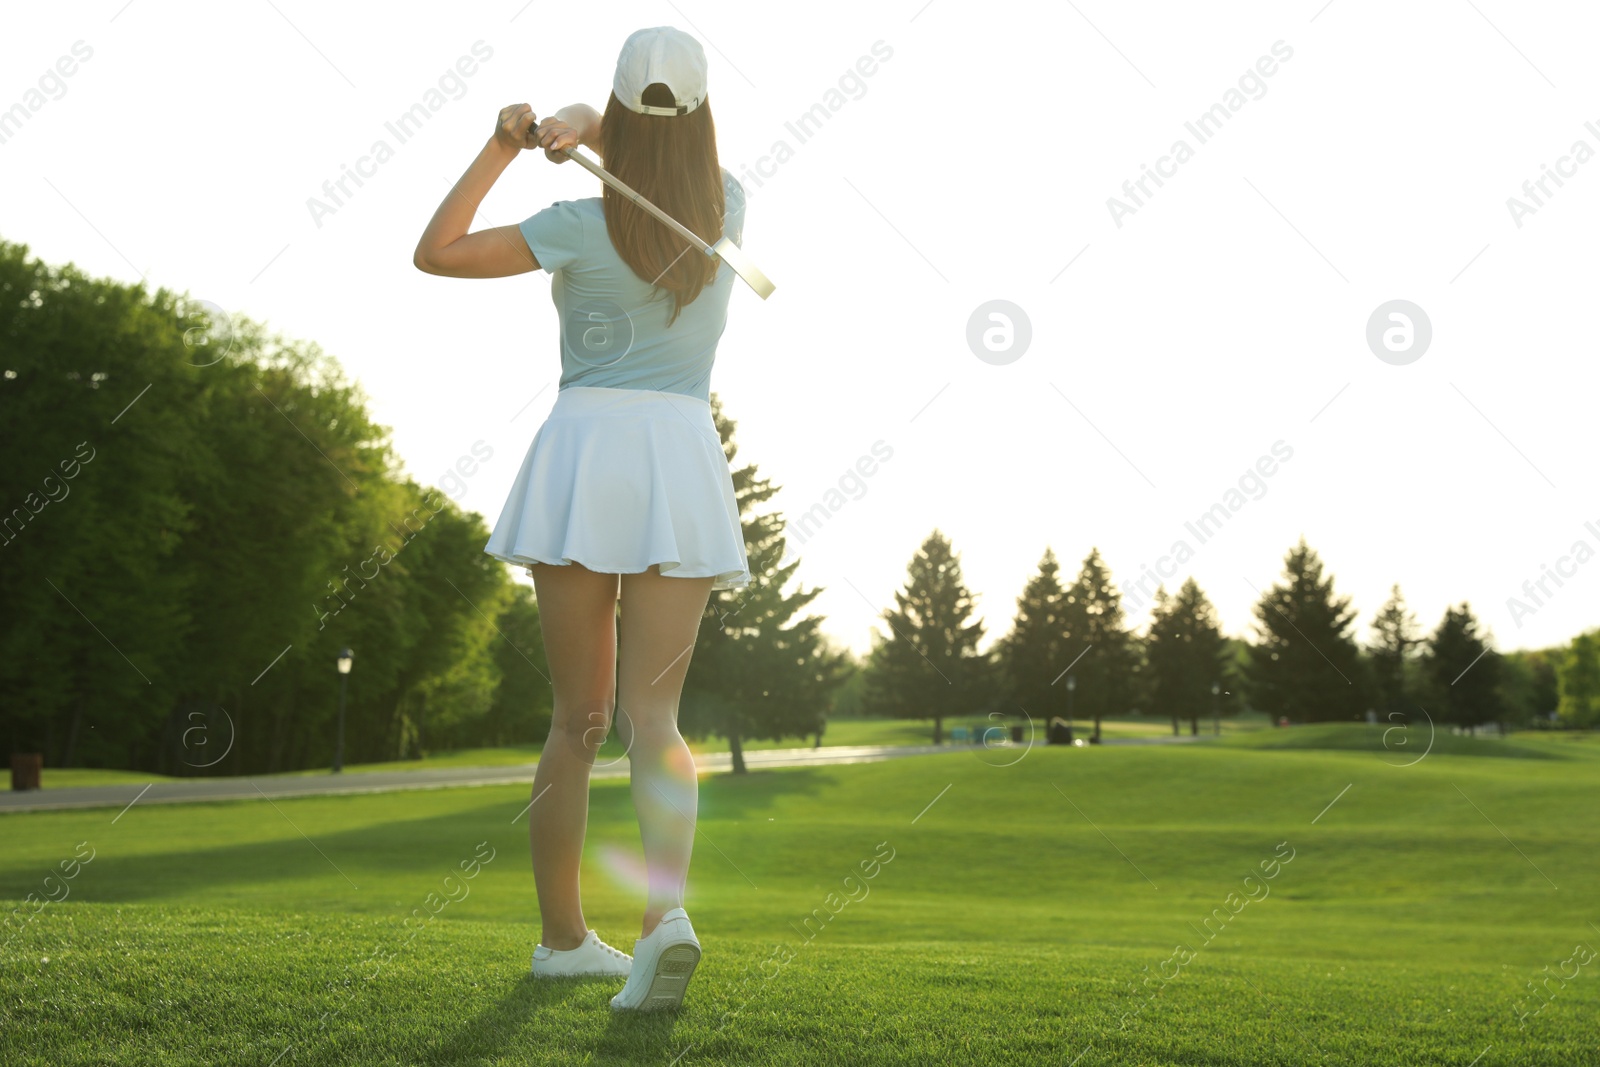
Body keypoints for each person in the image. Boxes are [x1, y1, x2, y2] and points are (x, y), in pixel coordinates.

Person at [411, 26, 750, 1013]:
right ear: (700, 118)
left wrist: (510, 140)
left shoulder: (571, 222)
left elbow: (435, 252)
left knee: (578, 719)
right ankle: (663, 921)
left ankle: (564, 941)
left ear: (616, 111)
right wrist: (584, 122)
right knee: (655, 718)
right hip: (679, 456)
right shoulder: (729, 206)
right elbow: (652, 127)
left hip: (584, 451)